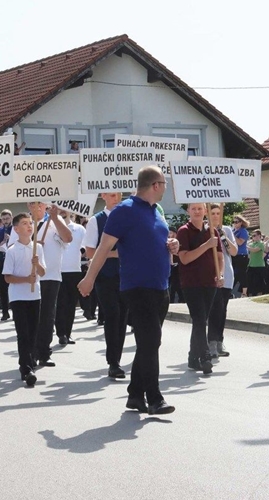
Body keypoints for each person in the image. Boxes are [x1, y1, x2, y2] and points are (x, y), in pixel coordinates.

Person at [78, 165, 179, 416]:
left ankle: (135, 395)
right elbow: (103, 248)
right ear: (155, 185)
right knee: (151, 341)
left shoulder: (157, 212)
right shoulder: (124, 211)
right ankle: (154, 398)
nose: (166, 189)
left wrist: (171, 245)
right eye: (164, 184)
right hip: (137, 286)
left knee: (147, 343)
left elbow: (155, 241)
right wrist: (89, 278)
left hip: (160, 285)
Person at [8, 202, 72, 366]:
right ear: (29, 206)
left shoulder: (55, 221)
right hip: (30, 278)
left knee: (47, 315)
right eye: (32, 204)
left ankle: (44, 352)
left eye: (40, 204)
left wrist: (55, 219)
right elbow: (12, 248)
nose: (37, 207)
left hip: (50, 275)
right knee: (32, 317)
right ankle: (30, 352)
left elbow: (68, 238)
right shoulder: (23, 225)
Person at [82, 192, 129, 378]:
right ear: (103, 196)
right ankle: (113, 362)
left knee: (123, 317)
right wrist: (115, 254)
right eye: (111, 195)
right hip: (104, 276)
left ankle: (117, 357)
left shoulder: (128, 217)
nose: (116, 198)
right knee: (112, 315)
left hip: (126, 275)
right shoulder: (96, 220)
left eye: (118, 194)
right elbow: (90, 252)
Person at [177, 203, 223, 374]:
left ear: (205, 211)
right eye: (193, 208)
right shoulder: (184, 231)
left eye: (200, 208)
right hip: (191, 283)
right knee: (198, 319)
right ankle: (204, 356)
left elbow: (219, 256)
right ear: (188, 211)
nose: (197, 211)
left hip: (209, 283)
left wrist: (221, 274)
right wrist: (206, 245)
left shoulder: (212, 231)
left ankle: (192, 357)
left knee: (201, 320)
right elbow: (185, 258)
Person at [3, 212, 46, 387]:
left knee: (34, 332)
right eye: (24, 223)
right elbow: (7, 277)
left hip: (34, 295)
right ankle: (26, 368)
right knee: (23, 332)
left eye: (30, 223)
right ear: (16, 229)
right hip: (18, 296)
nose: (29, 226)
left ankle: (30, 359)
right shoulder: (12, 250)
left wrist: (38, 264)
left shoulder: (38, 248)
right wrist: (25, 279)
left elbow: (43, 273)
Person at [207, 204, 236, 359]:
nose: (216, 216)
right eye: (213, 213)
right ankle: (211, 341)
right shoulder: (205, 229)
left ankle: (219, 340)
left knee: (223, 310)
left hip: (227, 275)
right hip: (212, 275)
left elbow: (234, 252)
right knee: (215, 309)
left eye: (218, 213)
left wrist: (223, 235)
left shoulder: (227, 230)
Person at [55, 209, 85, 345]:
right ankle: (61, 333)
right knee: (61, 304)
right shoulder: (52, 227)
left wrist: (82, 253)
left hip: (74, 270)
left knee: (71, 304)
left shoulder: (79, 229)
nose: (62, 212)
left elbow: (85, 246)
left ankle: (68, 332)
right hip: (57, 271)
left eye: (64, 210)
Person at [0, 209, 13, 321]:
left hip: (14, 259)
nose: (5, 221)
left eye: (7, 218)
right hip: (2, 260)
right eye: (3, 219)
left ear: (11, 218)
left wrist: (10, 240)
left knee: (14, 286)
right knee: (3, 286)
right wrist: (2, 242)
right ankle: (5, 312)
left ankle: (15, 310)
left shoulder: (15, 229)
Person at [231, 215, 250, 297]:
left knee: (242, 273)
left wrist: (232, 236)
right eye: (233, 222)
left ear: (241, 223)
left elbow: (240, 242)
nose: (234, 224)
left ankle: (244, 292)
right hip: (234, 254)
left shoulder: (243, 231)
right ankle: (230, 290)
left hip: (242, 255)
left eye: (236, 222)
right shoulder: (233, 231)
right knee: (233, 273)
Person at [246, 229, 266, 296]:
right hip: (251, 265)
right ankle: (251, 294)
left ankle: (260, 294)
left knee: (259, 282)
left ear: (259, 236)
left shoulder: (261, 243)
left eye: (254, 235)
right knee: (250, 280)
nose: (253, 237)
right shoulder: (251, 244)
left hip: (259, 265)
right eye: (252, 236)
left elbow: (255, 250)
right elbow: (249, 254)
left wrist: (246, 246)